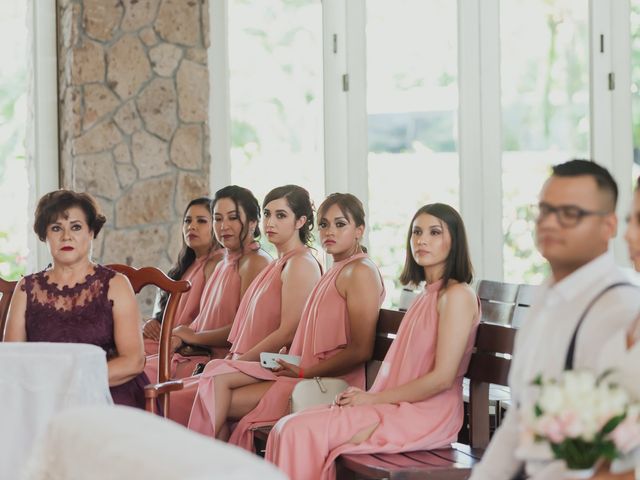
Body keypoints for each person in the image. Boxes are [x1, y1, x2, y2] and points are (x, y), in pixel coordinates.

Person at [264, 203, 479, 480]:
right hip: (395, 406)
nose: (422, 240)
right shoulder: (426, 295)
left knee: (296, 431)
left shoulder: (457, 295)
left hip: (424, 416)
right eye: (416, 232)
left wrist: (373, 399)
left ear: (455, 241)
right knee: (287, 428)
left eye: (434, 232)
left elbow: (442, 378)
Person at [470, 160, 640, 480]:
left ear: (609, 226)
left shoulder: (617, 310)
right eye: (545, 210)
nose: (549, 223)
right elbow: (519, 417)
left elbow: (608, 456)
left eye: (569, 214)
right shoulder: (547, 295)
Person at [192, 193, 385, 449]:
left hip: (328, 383)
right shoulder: (337, 268)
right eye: (324, 224)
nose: (330, 231)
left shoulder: (359, 271)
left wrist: (306, 370)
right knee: (215, 377)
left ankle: (206, 466)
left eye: (340, 224)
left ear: (359, 229)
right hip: (301, 370)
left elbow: (361, 349)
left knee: (214, 394)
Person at [165, 185, 321, 427]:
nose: (270, 222)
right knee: (177, 392)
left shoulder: (301, 264)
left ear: (300, 221)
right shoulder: (278, 263)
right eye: (267, 214)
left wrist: (238, 362)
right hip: (252, 364)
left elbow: (288, 331)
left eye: (281, 215)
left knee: (183, 397)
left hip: (277, 368)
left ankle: (204, 461)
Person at [5, 190, 148, 408]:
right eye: (56, 228)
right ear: (45, 235)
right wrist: (49, 389)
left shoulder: (116, 285)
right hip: (43, 397)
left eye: (76, 227)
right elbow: (13, 361)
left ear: (91, 232)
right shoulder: (25, 288)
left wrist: (72, 385)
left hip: (106, 395)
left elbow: (133, 361)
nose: (66, 236)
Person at [143, 186, 271, 399]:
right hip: (195, 352)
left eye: (232, 218)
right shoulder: (227, 262)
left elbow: (243, 331)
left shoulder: (254, 262)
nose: (224, 226)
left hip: (216, 360)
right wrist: (181, 336)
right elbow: (202, 321)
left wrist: (190, 336)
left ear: (252, 222)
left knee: (145, 380)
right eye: (218, 219)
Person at [143, 197, 223, 357]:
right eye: (187, 221)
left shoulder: (218, 263)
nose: (191, 226)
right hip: (165, 341)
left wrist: (181, 339)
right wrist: (155, 323)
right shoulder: (186, 266)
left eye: (201, 221)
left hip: (188, 350)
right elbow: (172, 314)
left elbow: (210, 319)